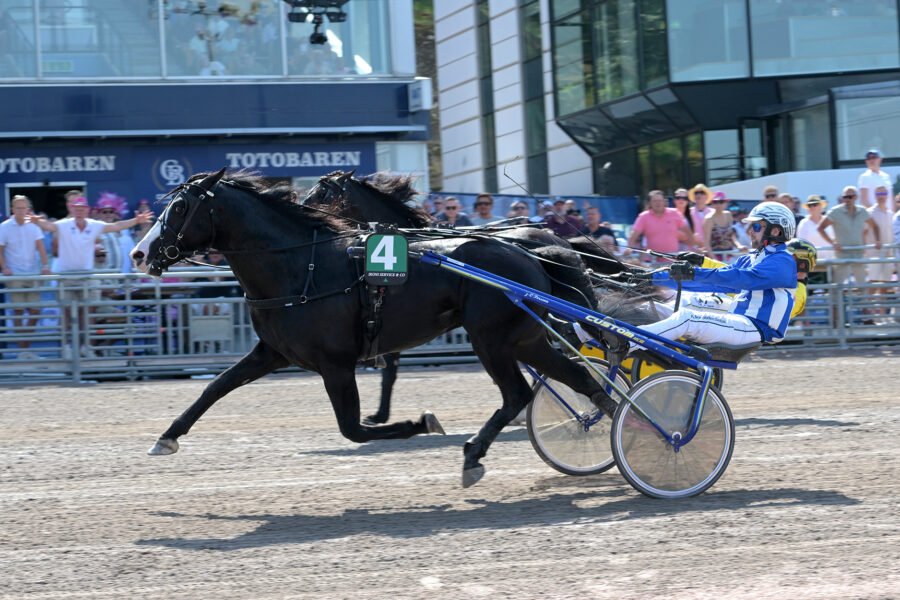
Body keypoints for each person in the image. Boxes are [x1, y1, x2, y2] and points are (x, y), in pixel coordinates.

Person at [633, 201, 799, 347]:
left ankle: (630, 343)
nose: (749, 231)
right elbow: (712, 282)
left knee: (687, 318)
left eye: (756, 226)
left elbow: (742, 279)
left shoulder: (783, 261)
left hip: (757, 327)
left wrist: (693, 273)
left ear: (776, 231)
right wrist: (650, 278)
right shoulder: (750, 259)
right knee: (662, 308)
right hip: (741, 323)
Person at [29, 196, 154, 358]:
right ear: (72, 210)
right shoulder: (64, 225)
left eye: (82, 209)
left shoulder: (94, 225)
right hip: (66, 277)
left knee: (87, 314)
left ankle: (85, 347)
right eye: (76, 209)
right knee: (67, 314)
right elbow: (50, 226)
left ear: (87, 210)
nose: (79, 212)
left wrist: (136, 221)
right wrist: (37, 222)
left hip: (86, 276)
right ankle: (67, 347)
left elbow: (116, 225)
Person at [0, 195, 52, 359]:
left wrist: (45, 265)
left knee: (35, 311)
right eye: (19, 208)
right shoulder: (5, 227)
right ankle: (23, 351)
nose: (22, 211)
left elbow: (41, 247)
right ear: (12, 209)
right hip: (14, 274)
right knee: (18, 311)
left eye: (24, 207)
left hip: (32, 272)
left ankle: (24, 349)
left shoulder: (33, 225)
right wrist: (5, 268)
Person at [816, 186, 881, 286]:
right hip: (842, 254)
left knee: (863, 286)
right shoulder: (835, 211)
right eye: (845, 197)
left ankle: (863, 301)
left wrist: (878, 240)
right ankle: (836, 302)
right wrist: (833, 243)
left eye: (850, 197)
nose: (847, 200)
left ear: (856, 197)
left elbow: (875, 226)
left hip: (858, 253)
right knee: (837, 288)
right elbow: (820, 228)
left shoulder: (862, 211)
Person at [627, 190, 694, 260]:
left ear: (664, 202)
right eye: (655, 201)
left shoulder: (674, 213)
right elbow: (633, 236)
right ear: (650, 203)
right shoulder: (643, 217)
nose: (658, 203)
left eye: (660, 200)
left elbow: (688, 231)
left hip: (672, 261)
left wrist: (694, 247)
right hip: (652, 261)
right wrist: (629, 248)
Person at [864, 185, 896, 315]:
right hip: (874, 255)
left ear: (887, 195)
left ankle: (882, 315)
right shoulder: (870, 213)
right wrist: (866, 252)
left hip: (888, 255)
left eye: (883, 193)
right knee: (873, 285)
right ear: (875, 196)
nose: (881, 196)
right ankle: (871, 315)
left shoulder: (891, 214)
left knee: (884, 287)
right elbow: (864, 233)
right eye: (878, 194)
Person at [796, 195, 833, 284]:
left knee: (832, 290)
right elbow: (801, 243)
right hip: (812, 264)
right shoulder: (804, 223)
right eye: (810, 205)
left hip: (829, 262)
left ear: (821, 206)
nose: (812, 207)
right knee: (811, 290)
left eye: (815, 204)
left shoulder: (828, 220)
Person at [702, 191, 745, 262]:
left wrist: (739, 245)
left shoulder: (728, 215)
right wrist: (715, 261)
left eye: (721, 202)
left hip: (729, 255)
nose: (718, 204)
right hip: (714, 255)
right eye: (715, 202)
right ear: (712, 204)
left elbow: (731, 235)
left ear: (726, 203)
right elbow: (706, 243)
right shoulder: (709, 219)